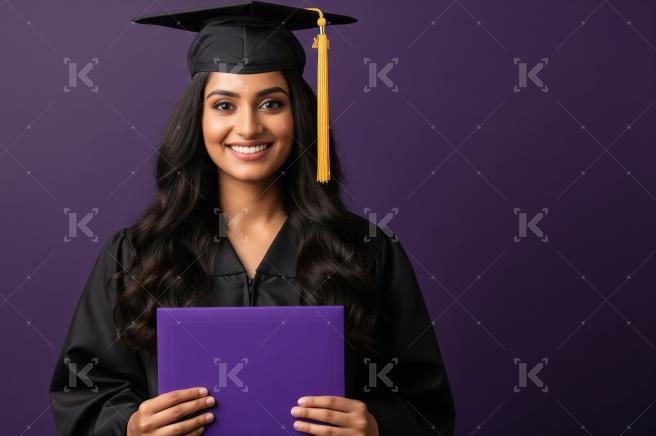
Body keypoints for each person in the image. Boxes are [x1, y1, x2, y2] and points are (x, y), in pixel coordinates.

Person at [49, 2, 455, 435]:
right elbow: (83, 392)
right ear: (198, 119)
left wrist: (377, 427)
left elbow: (424, 404)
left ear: (299, 115)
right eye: (224, 105)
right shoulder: (136, 254)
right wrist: (127, 427)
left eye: (271, 104)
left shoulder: (368, 250)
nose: (248, 127)